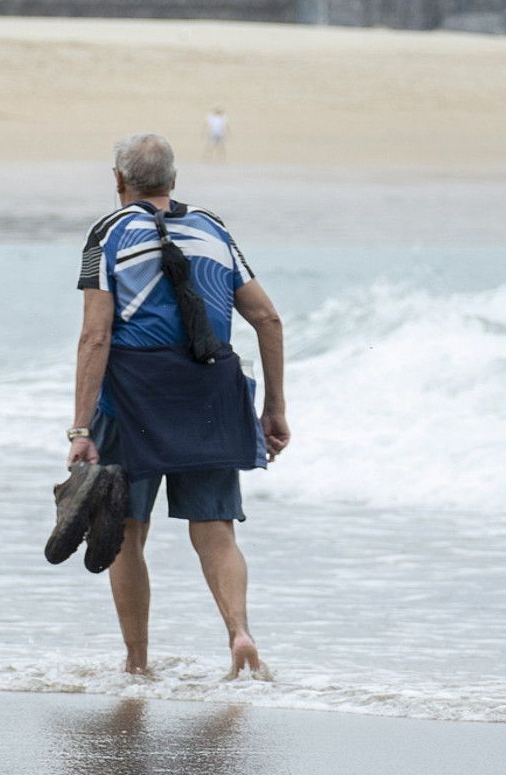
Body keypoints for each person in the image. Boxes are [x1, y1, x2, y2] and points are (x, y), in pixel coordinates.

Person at [68, 134, 289, 679]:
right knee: (215, 527)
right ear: (174, 179)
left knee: (124, 534)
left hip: (133, 398)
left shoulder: (108, 233)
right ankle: (239, 632)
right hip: (212, 392)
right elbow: (268, 319)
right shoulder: (213, 228)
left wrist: (79, 428)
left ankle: (138, 663)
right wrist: (274, 409)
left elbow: (95, 338)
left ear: (118, 181)